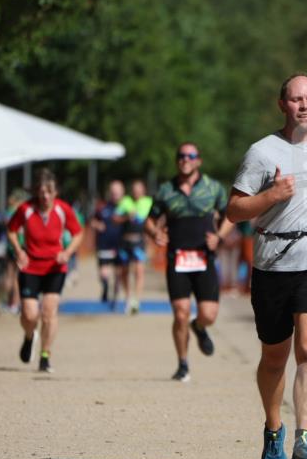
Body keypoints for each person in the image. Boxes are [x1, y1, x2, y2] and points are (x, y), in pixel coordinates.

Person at [226, 73, 307, 459]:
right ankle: (274, 427)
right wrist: (270, 196)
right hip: (272, 264)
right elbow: (234, 210)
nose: (304, 105)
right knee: (275, 358)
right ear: (283, 105)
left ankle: (305, 440)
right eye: (296, 99)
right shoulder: (262, 153)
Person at [147, 142, 232, 382]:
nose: (185, 159)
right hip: (177, 259)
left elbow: (230, 217)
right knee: (180, 313)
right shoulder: (166, 190)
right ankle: (182, 363)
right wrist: (155, 234)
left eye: (190, 156)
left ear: (198, 161)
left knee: (208, 314)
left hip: (204, 258)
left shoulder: (213, 188)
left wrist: (219, 237)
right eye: (181, 156)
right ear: (177, 160)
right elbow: (149, 221)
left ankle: (200, 327)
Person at [6, 169, 84, 373]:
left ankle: (45, 355)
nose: (45, 196)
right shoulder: (26, 209)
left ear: (56, 192)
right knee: (30, 315)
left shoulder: (63, 209)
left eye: (49, 191)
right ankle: (30, 336)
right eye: (42, 192)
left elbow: (78, 233)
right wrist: (19, 251)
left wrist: (67, 253)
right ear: (36, 192)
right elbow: (11, 230)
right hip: (30, 266)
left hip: (55, 267)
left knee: (49, 312)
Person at [116, 179, 153, 314]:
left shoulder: (148, 202)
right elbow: (115, 218)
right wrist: (126, 217)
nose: (136, 191)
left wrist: (151, 237)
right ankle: (128, 298)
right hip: (125, 242)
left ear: (143, 190)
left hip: (139, 242)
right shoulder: (126, 202)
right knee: (124, 271)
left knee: (139, 271)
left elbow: (153, 221)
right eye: (134, 189)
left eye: (139, 189)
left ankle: (137, 300)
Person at [91, 181, 126, 307]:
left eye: (118, 192)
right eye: (113, 192)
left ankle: (115, 298)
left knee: (118, 273)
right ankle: (105, 287)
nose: (115, 195)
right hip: (104, 245)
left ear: (122, 193)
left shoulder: (126, 207)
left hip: (120, 245)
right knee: (104, 273)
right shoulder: (102, 207)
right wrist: (98, 225)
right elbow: (93, 221)